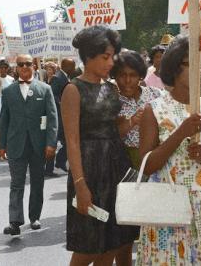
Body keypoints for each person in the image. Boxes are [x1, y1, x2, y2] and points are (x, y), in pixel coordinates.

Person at [134, 37, 201, 265]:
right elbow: (147, 164)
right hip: (168, 205)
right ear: (173, 68)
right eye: (191, 63)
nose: (200, 70)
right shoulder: (154, 110)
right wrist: (180, 133)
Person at [63, 26, 139, 265]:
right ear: (88, 57)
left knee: (112, 244)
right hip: (89, 171)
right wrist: (80, 185)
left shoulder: (111, 89)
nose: (111, 62)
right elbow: (72, 141)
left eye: (112, 56)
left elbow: (115, 130)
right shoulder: (73, 90)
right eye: (105, 57)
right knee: (89, 246)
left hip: (116, 168)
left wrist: (135, 121)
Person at [0, 54, 59, 235]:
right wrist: (2, 145)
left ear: (33, 66)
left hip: (38, 145)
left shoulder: (45, 89)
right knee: (16, 183)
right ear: (16, 68)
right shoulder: (8, 92)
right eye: (20, 64)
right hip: (16, 144)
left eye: (27, 64)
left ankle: (34, 217)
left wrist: (51, 143)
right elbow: (4, 120)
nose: (24, 67)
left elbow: (53, 119)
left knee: (37, 182)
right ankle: (15, 222)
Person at [114, 49, 163, 167]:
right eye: (122, 75)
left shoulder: (156, 95)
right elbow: (109, 135)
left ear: (141, 76)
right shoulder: (111, 101)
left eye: (133, 75)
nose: (127, 81)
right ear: (114, 76)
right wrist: (131, 122)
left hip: (155, 161)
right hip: (124, 163)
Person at [47, 57, 75, 174]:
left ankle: (60, 161)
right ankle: (49, 168)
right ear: (66, 67)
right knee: (53, 142)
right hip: (58, 117)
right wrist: (63, 103)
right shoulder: (58, 78)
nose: (74, 68)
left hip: (63, 117)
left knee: (67, 141)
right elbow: (52, 96)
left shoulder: (63, 76)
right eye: (72, 66)